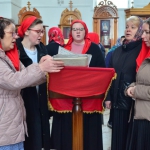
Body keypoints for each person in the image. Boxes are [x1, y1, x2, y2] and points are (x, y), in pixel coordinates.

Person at [0, 17, 64, 149]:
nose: (15, 36)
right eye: (11, 33)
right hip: (5, 125)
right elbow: (15, 81)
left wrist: (44, 68)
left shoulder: (8, 56)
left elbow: (27, 78)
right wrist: (41, 68)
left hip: (14, 123)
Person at [50, 20, 105, 150]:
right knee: (68, 130)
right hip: (67, 96)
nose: (78, 31)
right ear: (71, 32)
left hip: (88, 97)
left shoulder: (94, 48)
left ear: (85, 31)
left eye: (81, 29)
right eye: (75, 29)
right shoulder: (64, 49)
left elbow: (101, 71)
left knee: (88, 132)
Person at [16, 16, 60, 150]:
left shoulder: (42, 49)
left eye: (43, 32)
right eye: (38, 31)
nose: (41, 35)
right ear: (27, 31)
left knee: (42, 134)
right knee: (29, 136)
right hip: (24, 99)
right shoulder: (16, 50)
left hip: (41, 98)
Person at [105, 16, 143, 150]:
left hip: (133, 102)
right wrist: (108, 97)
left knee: (129, 138)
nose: (128, 30)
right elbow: (110, 75)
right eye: (127, 26)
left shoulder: (141, 50)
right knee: (116, 137)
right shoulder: (117, 51)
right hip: (116, 101)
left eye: (133, 27)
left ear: (139, 30)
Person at [126, 17, 150, 150]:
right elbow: (142, 80)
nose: (143, 36)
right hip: (141, 115)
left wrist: (136, 91)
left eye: (147, 32)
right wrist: (131, 87)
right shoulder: (146, 53)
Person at [105, 35, 125, 129]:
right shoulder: (114, 52)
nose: (123, 42)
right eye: (122, 41)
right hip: (114, 87)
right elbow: (108, 70)